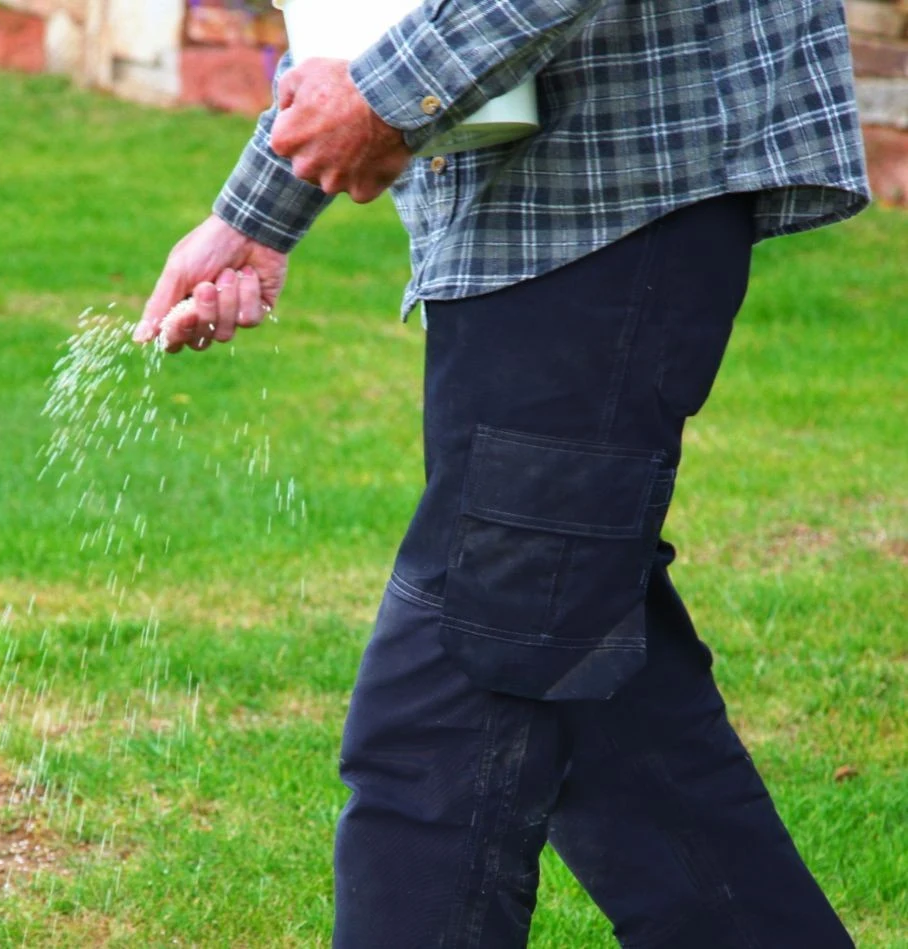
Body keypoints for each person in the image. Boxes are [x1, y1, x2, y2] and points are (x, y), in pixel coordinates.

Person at [134, 1, 869, 946]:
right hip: (524, 216)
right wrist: (260, 209)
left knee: (443, 718)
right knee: (599, 695)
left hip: (607, 192)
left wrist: (390, 101)